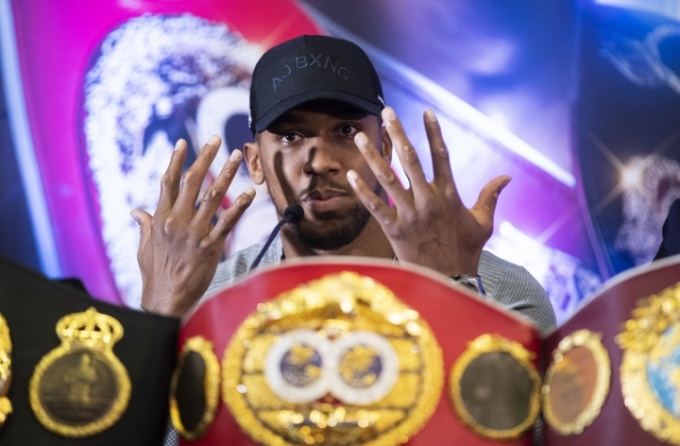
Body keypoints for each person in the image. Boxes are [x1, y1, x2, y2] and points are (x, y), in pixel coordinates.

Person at [131, 34, 556, 336]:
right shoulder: (204, 301)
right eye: (290, 136)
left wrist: (448, 291)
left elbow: (513, 429)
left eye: (346, 131)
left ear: (384, 147)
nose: (320, 162)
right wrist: (161, 325)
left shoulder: (499, 292)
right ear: (255, 162)